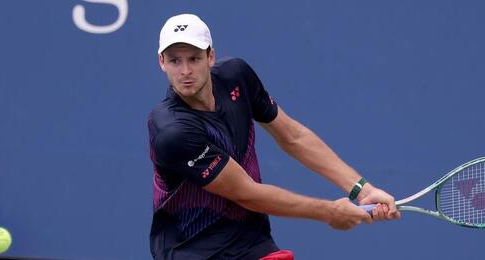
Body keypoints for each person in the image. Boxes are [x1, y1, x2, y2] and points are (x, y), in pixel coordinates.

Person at [147, 13, 401, 260]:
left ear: (210, 56)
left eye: (193, 58)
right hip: (192, 253)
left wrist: (362, 190)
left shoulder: (236, 76)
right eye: (175, 61)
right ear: (161, 62)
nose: (185, 71)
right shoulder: (172, 131)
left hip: (253, 247)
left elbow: (293, 136)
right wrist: (330, 212)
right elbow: (247, 193)